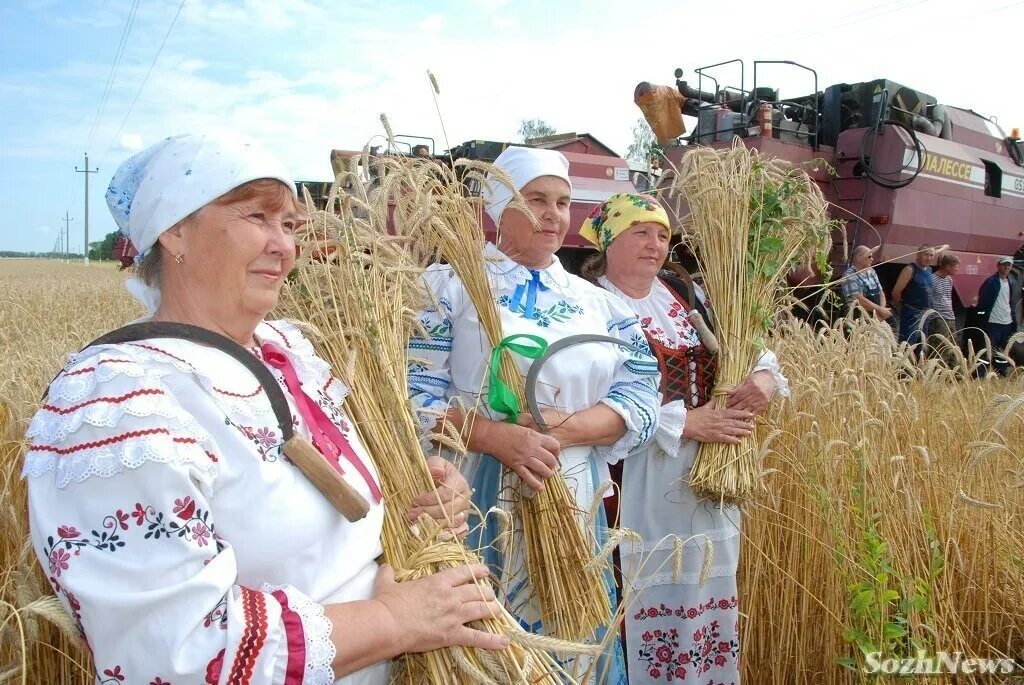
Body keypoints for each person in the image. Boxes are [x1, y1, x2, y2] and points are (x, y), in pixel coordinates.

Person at [22, 133, 508, 685]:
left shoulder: (287, 354)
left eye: (292, 225)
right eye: (258, 216)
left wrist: (408, 504)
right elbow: (176, 651)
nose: (284, 246)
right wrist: (394, 620)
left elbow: (314, 526)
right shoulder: (122, 400)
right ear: (174, 229)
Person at [407, 147, 661, 682]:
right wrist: (496, 437)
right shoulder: (449, 287)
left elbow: (642, 392)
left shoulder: (601, 304)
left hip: (572, 493)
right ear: (500, 205)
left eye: (564, 202)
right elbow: (412, 392)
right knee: (488, 640)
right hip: (476, 494)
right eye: (536, 199)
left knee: (574, 634)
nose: (553, 214)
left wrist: (558, 433)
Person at [578, 193, 788, 685]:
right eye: (640, 233)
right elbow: (591, 394)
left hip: (708, 476)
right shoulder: (591, 303)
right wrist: (687, 423)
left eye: (663, 235)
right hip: (633, 473)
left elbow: (746, 347)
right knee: (638, 586)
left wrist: (763, 379)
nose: (655, 245)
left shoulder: (682, 293)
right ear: (609, 240)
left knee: (703, 583)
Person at [977, 256, 1021, 376]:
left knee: (1002, 351)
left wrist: (1012, 319)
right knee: (987, 348)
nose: (1006, 267)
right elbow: (983, 302)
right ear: (998, 266)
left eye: (1009, 265)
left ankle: (1000, 372)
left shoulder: (1011, 282)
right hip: (993, 322)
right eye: (1004, 264)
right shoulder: (991, 282)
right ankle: (981, 374)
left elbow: (1010, 301)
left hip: (1006, 322)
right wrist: (983, 318)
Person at [891, 245, 936, 345]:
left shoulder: (929, 270)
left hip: (925, 314)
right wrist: (901, 308)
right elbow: (896, 292)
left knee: (921, 346)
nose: (928, 258)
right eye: (925, 255)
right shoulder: (910, 269)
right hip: (912, 314)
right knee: (908, 344)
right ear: (918, 255)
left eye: (931, 255)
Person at [841, 245, 892, 322]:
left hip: (876, 316)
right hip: (859, 319)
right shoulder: (850, 275)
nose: (872, 259)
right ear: (858, 258)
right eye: (869, 257)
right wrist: (880, 311)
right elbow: (859, 300)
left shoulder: (871, 271)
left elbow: (881, 292)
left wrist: (882, 310)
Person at [928, 252, 961, 364]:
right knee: (941, 348)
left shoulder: (949, 280)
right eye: (955, 266)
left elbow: (948, 298)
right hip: (939, 318)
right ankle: (938, 373)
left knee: (953, 346)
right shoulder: (932, 279)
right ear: (947, 267)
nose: (957, 269)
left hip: (950, 317)